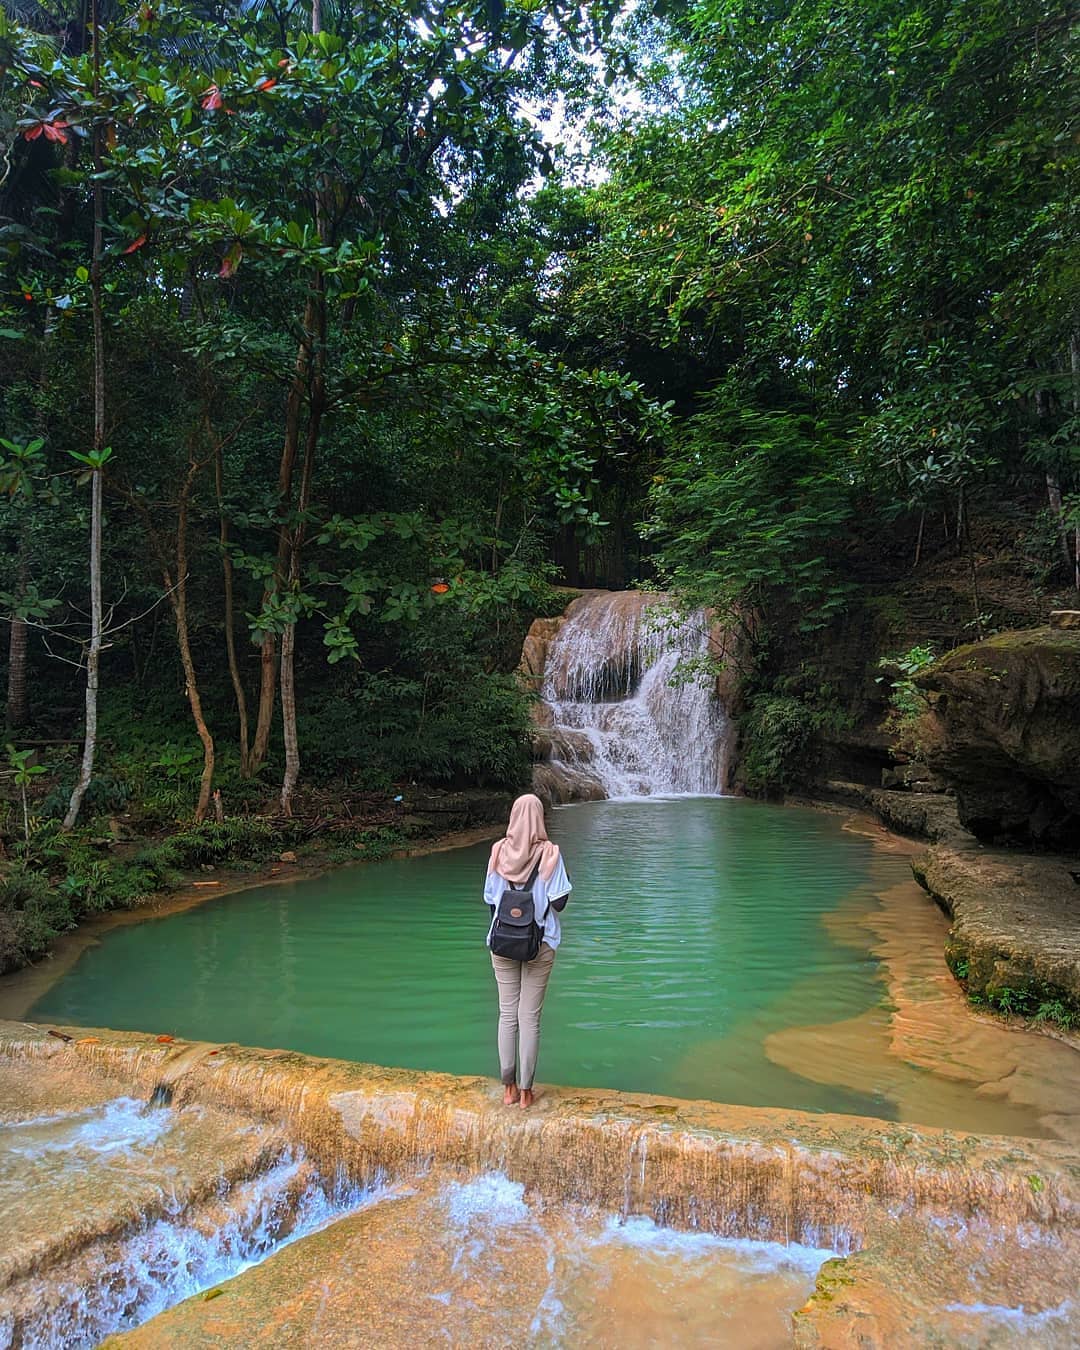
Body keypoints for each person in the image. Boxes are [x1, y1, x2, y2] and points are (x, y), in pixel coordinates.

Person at [484, 793, 572, 1109]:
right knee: (529, 1018)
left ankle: (506, 1088)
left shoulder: (498, 852)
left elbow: (491, 901)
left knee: (507, 1014)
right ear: (539, 819)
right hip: (541, 943)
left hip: (502, 944)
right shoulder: (550, 854)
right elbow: (560, 901)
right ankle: (526, 1093)